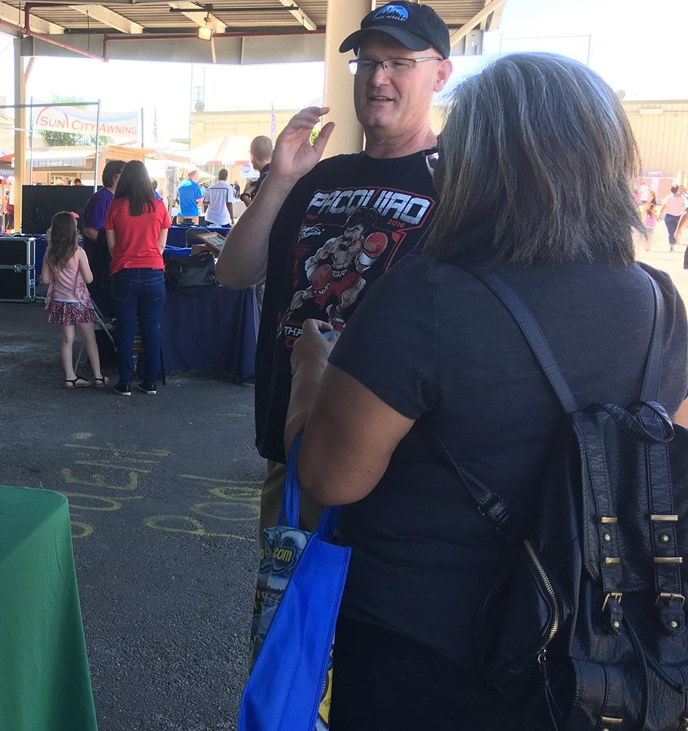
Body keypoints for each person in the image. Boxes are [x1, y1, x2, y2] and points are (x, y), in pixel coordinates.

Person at [283, 51, 688, 730]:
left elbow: (329, 474)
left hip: (421, 651)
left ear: (479, 165)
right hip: (593, 655)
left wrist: (308, 371)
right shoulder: (658, 302)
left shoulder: (426, 295)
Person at [216, 0, 452, 539]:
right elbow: (233, 272)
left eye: (399, 62)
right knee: (289, 618)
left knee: (367, 620)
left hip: (398, 465)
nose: (378, 78)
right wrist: (279, 180)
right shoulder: (318, 178)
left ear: (440, 73)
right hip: (294, 446)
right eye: (367, 63)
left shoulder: (459, 184)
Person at [105, 160, 171, 396]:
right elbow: (162, 246)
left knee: (124, 329)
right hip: (154, 274)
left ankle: (124, 383)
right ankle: (150, 382)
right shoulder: (159, 207)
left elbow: (111, 248)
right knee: (151, 328)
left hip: (124, 274)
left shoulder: (114, 207)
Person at [41, 211, 107, 389]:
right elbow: (89, 279)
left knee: (67, 339)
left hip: (61, 302)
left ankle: (70, 377)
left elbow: (45, 280)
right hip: (79, 303)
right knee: (90, 338)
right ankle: (98, 376)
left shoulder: (49, 253)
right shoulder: (79, 252)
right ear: (72, 231)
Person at [81, 160, 127, 303]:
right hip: (99, 259)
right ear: (114, 176)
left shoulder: (115, 198)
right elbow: (90, 231)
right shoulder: (102, 199)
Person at [238, 135, 274, 206]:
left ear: (252, 156)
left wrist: (245, 197)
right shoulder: (277, 174)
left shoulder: (264, 180)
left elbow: (261, 214)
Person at [665, 184, 686, 252]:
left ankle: (671, 244)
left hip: (669, 216)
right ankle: (675, 240)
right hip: (678, 216)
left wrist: (660, 215)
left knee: (670, 232)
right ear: (677, 190)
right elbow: (684, 207)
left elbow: (664, 205)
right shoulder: (682, 198)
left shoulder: (669, 197)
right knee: (676, 229)